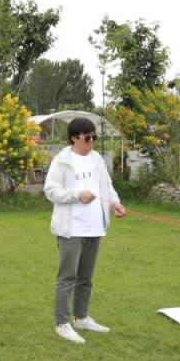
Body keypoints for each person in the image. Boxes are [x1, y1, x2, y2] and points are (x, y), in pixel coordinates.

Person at [43, 116, 127, 343]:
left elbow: (107, 186)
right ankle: (62, 323)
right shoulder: (62, 161)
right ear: (74, 137)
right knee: (67, 277)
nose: (91, 141)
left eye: (93, 137)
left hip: (95, 227)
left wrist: (115, 203)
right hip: (71, 229)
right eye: (87, 137)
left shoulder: (96, 159)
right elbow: (50, 190)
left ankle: (81, 318)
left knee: (85, 278)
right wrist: (76, 195)